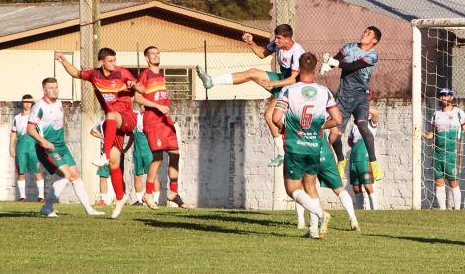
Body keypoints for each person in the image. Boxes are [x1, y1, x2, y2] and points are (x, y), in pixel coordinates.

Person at [197, 24, 304, 167]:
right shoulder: (278, 45)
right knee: (251, 73)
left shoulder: (297, 52)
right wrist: (250, 42)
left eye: (278, 38)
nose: (275, 41)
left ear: (287, 38)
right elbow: (262, 53)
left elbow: (293, 79)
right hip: (281, 80)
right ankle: (211, 81)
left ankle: (282, 152)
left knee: (269, 116)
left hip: (293, 86)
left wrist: (273, 84)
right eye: (275, 38)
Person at [55, 47, 144, 219]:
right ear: (102, 62)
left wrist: (135, 85)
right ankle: (120, 197)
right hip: (112, 125)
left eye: (115, 60)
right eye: (111, 61)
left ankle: (104, 154)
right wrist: (63, 60)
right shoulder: (95, 75)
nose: (114, 63)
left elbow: (143, 89)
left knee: (110, 116)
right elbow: (76, 73)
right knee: (114, 163)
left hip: (126, 117)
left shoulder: (122, 73)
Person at [271, 52, 342, 239]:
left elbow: (276, 117)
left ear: (299, 69)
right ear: (315, 68)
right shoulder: (324, 91)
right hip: (314, 147)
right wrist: (320, 125)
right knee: (310, 186)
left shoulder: (289, 90)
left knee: (293, 189)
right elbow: (337, 119)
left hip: (295, 146)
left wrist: (283, 127)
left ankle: (321, 214)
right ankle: (313, 230)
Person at [26, 77, 104, 217]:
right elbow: (30, 129)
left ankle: (89, 209)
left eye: (56, 87)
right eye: (51, 88)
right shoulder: (39, 107)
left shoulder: (59, 103)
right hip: (47, 148)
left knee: (76, 176)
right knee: (66, 175)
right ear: (44, 90)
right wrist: (42, 141)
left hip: (61, 146)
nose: (54, 90)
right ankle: (47, 207)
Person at [320, 26, 382, 181]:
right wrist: (328, 64)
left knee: (362, 124)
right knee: (334, 134)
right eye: (364, 32)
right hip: (343, 96)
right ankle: (341, 159)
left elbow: (354, 66)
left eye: (369, 34)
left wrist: (334, 62)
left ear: (374, 40)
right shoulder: (349, 47)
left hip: (360, 96)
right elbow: (338, 59)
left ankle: (374, 162)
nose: (364, 34)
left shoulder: (372, 55)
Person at [134, 45, 186, 209]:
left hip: (165, 120)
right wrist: (156, 106)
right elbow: (137, 98)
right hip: (153, 120)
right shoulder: (145, 74)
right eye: (152, 54)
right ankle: (148, 194)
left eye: (158, 53)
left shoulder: (161, 76)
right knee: (157, 158)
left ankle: (173, 192)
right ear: (147, 58)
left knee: (175, 154)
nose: (156, 56)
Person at [295, 130, 360, 234]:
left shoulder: (298, 116)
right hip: (326, 155)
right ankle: (353, 219)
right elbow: (335, 131)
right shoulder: (324, 114)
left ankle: (302, 222)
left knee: (304, 188)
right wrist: (328, 143)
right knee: (339, 189)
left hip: (309, 155)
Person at [424, 88, 465, 210]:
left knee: (453, 182)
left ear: (451, 97)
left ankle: (457, 210)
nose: (443, 98)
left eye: (446, 95)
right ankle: (442, 211)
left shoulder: (458, 112)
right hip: (438, 153)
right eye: (441, 96)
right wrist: (423, 135)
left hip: (453, 154)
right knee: (439, 182)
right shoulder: (436, 114)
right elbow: (432, 134)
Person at [9, 94, 44, 202]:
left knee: (37, 171)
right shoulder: (17, 118)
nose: (27, 104)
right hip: (21, 147)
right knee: (21, 172)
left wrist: (42, 145)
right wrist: (11, 147)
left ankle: (41, 197)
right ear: (22, 103)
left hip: (34, 147)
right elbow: (14, 133)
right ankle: (23, 197)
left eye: (29, 102)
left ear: (32, 104)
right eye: (25, 102)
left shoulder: (36, 118)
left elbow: (41, 133)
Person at [348, 107, 380, 210]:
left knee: (367, 185)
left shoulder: (370, 124)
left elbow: (376, 114)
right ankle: (360, 210)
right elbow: (350, 140)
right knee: (356, 187)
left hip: (365, 158)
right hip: (354, 159)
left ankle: (374, 209)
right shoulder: (354, 126)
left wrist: (360, 104)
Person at [122, 109, 154, 206]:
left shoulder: (150, 120)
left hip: (148, 153)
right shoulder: (135, 119)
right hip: (137, 153)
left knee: (153, 176)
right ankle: (140, 201)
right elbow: (132, 137)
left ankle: (155, 199)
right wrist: (125, 149)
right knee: (137, 175)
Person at [90, 122, 113, 206]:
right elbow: (92, 131)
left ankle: (121, 198)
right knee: (103, 176)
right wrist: (102, 137)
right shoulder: (102, 123)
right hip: (104, 154)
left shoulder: (117, 122)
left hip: (115, 153)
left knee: (117, 176)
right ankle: (104, 199)